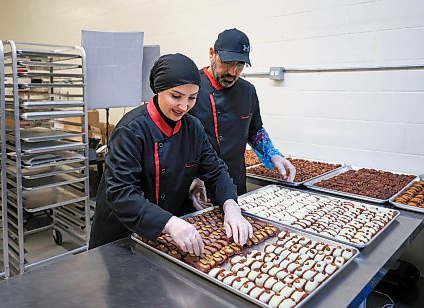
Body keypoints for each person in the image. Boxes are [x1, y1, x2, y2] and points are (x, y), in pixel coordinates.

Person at [89, 53, 253, 254]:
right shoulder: (131, 130)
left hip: (167, 234)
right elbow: (121, 193)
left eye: (192, 98)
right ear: (158, 91)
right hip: (121, 235)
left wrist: (230, 206)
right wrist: (169, 223)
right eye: (176, 96)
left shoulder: (193, 128)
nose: (184, 107)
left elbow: (216, 170)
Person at [188, 28, 296, 209]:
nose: (232, 71)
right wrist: (189, 182)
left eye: (240, 65)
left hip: (235, 184)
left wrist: (273, 155)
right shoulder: (191, 88)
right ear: (211, 53)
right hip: (197, 187)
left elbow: (254, 131)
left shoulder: (248, 91)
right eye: (227, 63)